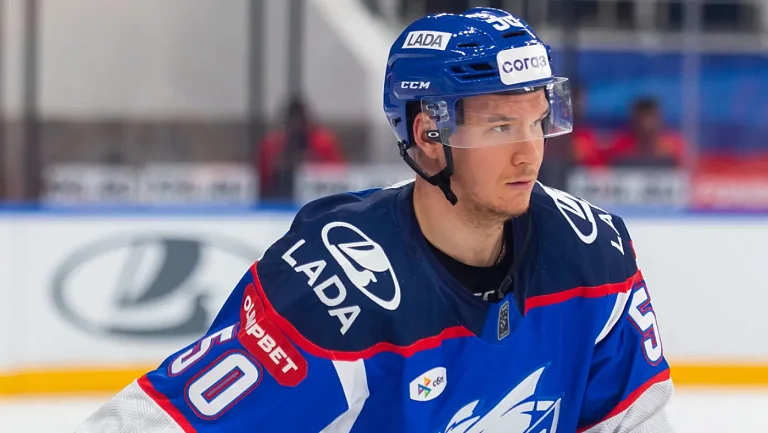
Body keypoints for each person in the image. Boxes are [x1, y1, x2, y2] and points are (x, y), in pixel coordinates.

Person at [76, 8, 673, 432]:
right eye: (499, 126)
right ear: (429, 136)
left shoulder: (592, 253)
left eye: (536, 120)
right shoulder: (337, 288)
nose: (529, 153)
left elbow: (633, 422)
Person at [257, 97, 345, 200]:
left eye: (299, 121)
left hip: (317, 195)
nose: (296, 126)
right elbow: (262, 180)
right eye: (292, 121)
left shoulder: (323, 143)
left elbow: (337, 176)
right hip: (280, 197)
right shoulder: (272, 146)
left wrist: (311, 166)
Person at [606, 97, 687, 167]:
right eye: (642, 119)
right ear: (633, 121)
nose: (646, 125)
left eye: (651, 118)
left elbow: (687, 172)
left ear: (660, 120)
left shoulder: (674, 146)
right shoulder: (620, 146)